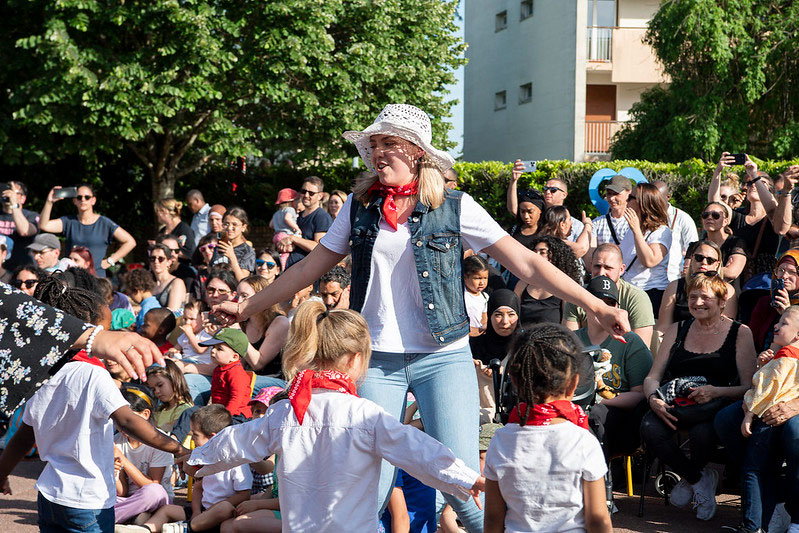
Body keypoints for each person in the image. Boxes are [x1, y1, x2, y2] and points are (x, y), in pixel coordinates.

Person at [211, 103, 629, 530]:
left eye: (388, 143)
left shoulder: (455, 206)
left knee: (461, 484)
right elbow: (306, 268)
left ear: (416, 151)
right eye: (373, 144)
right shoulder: (358, 208)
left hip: (443, 356)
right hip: (374, 360)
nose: (377, 152)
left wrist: (597, 305)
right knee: (367, 489)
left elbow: (528, 263)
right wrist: (246, 307)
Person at [184, 301, 485, 532]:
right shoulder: (366, 415)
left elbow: (237, 442)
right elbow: (417, 450)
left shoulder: (285, 410)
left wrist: (198, 460)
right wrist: (465, 477)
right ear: (356, 359)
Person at [0, 278, 187, 531]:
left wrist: (2, 473)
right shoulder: (93, 374)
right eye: (106, 329)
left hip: (49, 496)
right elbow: (128, 420)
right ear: (88, 331)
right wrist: (176, 447)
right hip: (88, 502)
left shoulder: (41, 373)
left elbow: (25, 435)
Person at [641, 273, 756, 520]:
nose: (697, 302)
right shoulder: (677, 329)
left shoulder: (740, 332)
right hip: (675, 402)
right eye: (693, 297)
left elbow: (749, 387)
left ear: (722, 301)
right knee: (649, 426)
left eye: (705, 297)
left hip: (716, 404)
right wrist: (653, 399)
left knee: (701, 433)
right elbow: (653, 377)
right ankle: (698, 478)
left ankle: (691, 477)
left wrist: (717, 391)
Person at [483, 323, 612, 533]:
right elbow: (598, 519)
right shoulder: (583, 441)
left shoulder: (500, 440)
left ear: (515, 382)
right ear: (574, 384)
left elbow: (492, 517)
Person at [714, 309, 799, 533]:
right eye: (778, 321)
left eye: (784, 323)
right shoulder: (786, 355)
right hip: (773, 413)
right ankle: (766, 513)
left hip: (766, 416)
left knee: (752, 469)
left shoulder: (787, 357)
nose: (777, 326)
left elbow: (766, 391)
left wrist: (749, 414)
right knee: (757, 464)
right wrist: (765, 365)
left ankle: (754, 526)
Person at [141, 405, 253, 533]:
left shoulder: (236, 462)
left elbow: (244, 494)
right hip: (202, 510)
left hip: (222, 515)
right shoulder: (202, 458)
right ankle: (145, 529)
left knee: (225, 507)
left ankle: (186, 528)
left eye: (195, 434)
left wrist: (213, 510)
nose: (192, 438)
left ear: (213, 437)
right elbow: (198, 488)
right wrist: (196, 512)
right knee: (167, 509)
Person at [578, 276, 652, 463]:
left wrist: (600, 400)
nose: (604, 308)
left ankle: (599, 482)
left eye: (610, 303)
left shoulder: (631, 341)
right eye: (598, 302)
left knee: (595, 415)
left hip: (619, 419)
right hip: (575, 413)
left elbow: (642, 394)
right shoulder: (570, 341)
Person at [709, 153, 790, 278]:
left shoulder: (774, 216)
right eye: (750, 183)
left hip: (763, 280)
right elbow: (714, 203)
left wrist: (754, 174)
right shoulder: (738, 215)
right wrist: (718, 171)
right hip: (737, 277)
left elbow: (772, 208)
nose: (753, 185)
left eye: (760, 183)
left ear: (770, 191)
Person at [564, 243, 656, 348]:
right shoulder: (578, 295)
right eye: (597, 266)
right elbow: (569, 343)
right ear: (590, 265)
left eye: (608, 268)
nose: (601, 273)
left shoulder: (636, 298)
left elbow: (640, 349)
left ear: (621, 269)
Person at [39, 184, 136, 277]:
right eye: (79, 197)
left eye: (87, 197)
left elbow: (130, 242)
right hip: (73, 278)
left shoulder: (104, 223)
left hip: (97, 278)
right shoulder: (69, 221)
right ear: (74, 201)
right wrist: (49, 201)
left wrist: (110, 261)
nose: (83, 200)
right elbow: (44, 225)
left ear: (93, 200)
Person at [114, 388, 174, 525]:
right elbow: (122, 492)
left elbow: (153, 484)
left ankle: (109, 518)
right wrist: (114, 471)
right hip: (127, 501)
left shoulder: (159, 440)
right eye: (118, 420)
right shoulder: (116, 441)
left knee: (154, 491)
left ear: (145, 414)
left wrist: (123, 460)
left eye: (128, 419)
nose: (121, 425)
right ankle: (133, 517)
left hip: (156, 500)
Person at [657, 240, 738, 337]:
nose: (704, 262)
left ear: (717, 264)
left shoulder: (727, 290)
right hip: (677, 341)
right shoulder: (674, 287)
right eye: (699, 258)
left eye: (710, 260)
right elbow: (663, 327)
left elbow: (726, 328)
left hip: (714, 341)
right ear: (692, 259)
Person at [619, 182, 672, 316]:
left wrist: (637, 231)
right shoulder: (631, 229)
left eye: (631, 197)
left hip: (650, 293)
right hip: (628, 291)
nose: (626, 200)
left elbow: (649, 261)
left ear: (642, 203)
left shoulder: (661, 231)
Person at [469, 289, 522, 424]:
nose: (505, 321)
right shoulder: (474, 345)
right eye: (498, 315)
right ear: (490, 315)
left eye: (511, 315)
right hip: (478, 408)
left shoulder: (525, 345)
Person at [514, 236, 581, 329]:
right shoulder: (522, 284)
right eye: (534, 251)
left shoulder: (565, 286)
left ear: (555, 256)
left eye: (542, 252)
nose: (536, 255)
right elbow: (513, 315)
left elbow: (568, 324)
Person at [236, 275, 290, 380]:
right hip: (247, 378)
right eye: (237, 296)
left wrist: (236, 332)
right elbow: (239, 363)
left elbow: (258, 363)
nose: (238, 301)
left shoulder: (279, 322)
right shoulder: (244, 322)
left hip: (273, 381)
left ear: (261, 297)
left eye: (244, 296)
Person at [280, 176, 333, 269]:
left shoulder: (322, 217)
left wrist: (294, 239)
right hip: (289, 269)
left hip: (307, 274)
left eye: (311, 193)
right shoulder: (297, 215)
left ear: (320, 196)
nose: (306, 195)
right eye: (304, 191)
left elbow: (319, 248)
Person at [200, 328, 254, 418]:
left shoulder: (236, 373)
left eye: (219, 349)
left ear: (234, 357)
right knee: (191, 412)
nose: (213, 350)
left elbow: (236, 399)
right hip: (219, 412)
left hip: (236, 415)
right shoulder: (219, 369)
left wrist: (223, 418)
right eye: (213, 347)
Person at [652, 180, 699, 283]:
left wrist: (687, 271)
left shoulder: (682, 218)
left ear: (668, 197)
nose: (654, 201)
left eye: (658, 197)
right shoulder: (644, 217)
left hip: (673, 278)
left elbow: (693, 248)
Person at [700, 201, 747, 282]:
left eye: (715, 215)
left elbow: (732, 273)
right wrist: (721, 270)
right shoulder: (697, 245)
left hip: (727, 292)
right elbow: (687, 272)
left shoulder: (736, 243)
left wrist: (701, 269)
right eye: (705, 215)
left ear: (725, 221)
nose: (709, 218)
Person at [146, 361, 194, 435]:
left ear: (174, 380)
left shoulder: (184, 409)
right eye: (153, 389)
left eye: (160, 385)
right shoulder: (160, 410)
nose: (157, 391)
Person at [0, 180, 38, 269]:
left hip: (22, 271)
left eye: (14, 193)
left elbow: (24, 231)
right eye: (6, 191)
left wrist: (14, 205)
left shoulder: (31, 216)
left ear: (23, 198)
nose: (8, 194)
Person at [210, 207, 256, 281]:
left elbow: (242, 280)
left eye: (235, 224)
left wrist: (232, 256)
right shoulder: (220, 246)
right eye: (226, 224)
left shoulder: (247, 251)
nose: (229, 228)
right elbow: (211, 269)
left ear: (243, 227)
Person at [505, 169, 544, 249]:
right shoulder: (513, 231)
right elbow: (512, 208)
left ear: (540, 210)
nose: (526, 216)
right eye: (522, 211)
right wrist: (513, 181)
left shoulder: (547, 230)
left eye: (530, 211)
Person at [592, 175, 632, 247]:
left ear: (629, 194)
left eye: (616, 193)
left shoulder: (635, 222)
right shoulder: (597, 223)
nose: (611, 198)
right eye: (609, 193)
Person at [149, 243, 187, 313]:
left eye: (160, 259)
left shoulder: (176, 283)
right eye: (153, 258)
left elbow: (173, 311)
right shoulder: (150, 283)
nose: (156, 262)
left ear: (169, 262)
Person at [270, 188, 301, 270]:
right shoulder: (290, 209)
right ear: (292, 201)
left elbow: (271, 225)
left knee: (277, 253)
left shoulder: (277, 213)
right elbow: (287, 218)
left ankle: (274, 265)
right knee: (285, 254)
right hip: (285, 235)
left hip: (276, 235)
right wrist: (297, 228)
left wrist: (279, 226)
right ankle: (281, 269)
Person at [463, 255, 489, 336]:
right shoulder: (462, 296)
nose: (482, 282)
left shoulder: (484, 297)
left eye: (485, 278)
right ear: (465, 277)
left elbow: (484, 318)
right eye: (477, 278)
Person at [190, 233, 219, 302]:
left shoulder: (228, 270)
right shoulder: (200, 275)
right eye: (203, 249)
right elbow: (198, 300)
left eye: (211, 247)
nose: (207, 251)